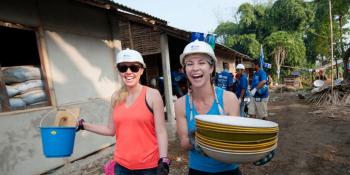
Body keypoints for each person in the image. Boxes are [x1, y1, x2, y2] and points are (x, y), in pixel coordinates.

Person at [76, 49, 170, 175]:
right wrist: (84, 125)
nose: (128, 72)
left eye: (134, 68)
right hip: (121, 166)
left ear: (142, 70)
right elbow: (110, 130)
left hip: (148, 166)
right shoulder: (116, 97)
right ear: (119, 71)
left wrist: (163, 159)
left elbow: (161, 131)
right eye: (123, 68)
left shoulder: (152, 95)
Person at [174, 40, 242, 175]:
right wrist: (198, 143)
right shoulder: (180, 104)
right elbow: (184, 142)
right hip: (198, 170)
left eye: (201, 62)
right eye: (189, 64)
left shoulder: (229, 99)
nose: (195, 68)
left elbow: (237, 139)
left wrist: (258, 151)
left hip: (229, 170)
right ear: (184, 70)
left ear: (211, 68)